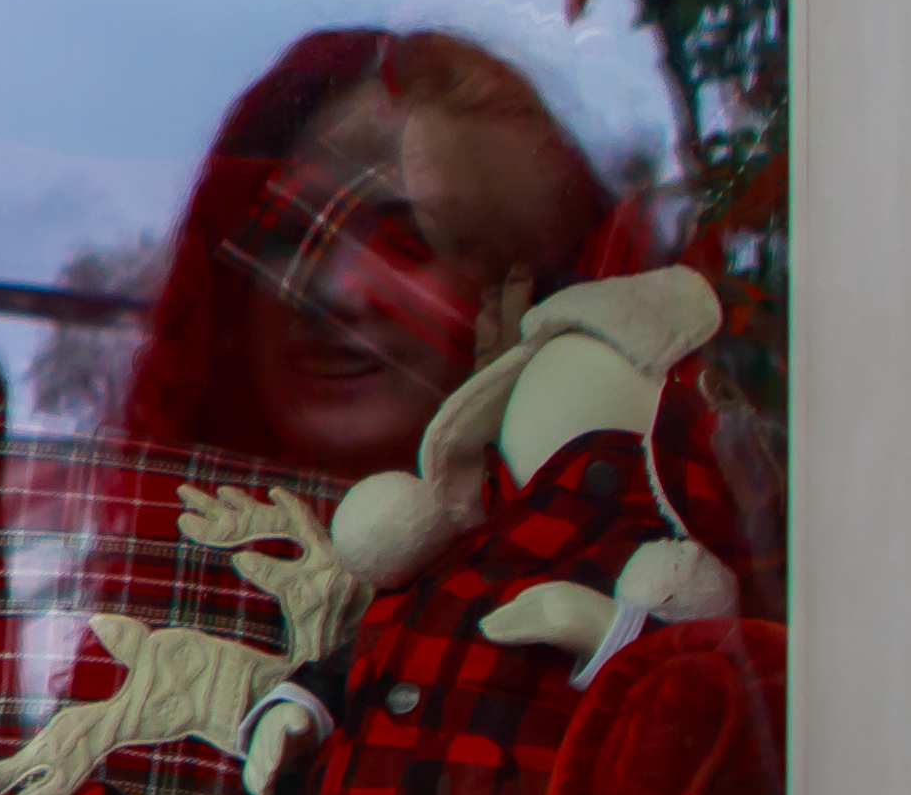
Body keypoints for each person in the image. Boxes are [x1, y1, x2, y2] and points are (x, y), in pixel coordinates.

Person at [112, 26, 614, 481]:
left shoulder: (626, 567)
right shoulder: (165, 553)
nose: (334, 291)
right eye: (290, 235)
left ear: (521, 287)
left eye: (411, 239)